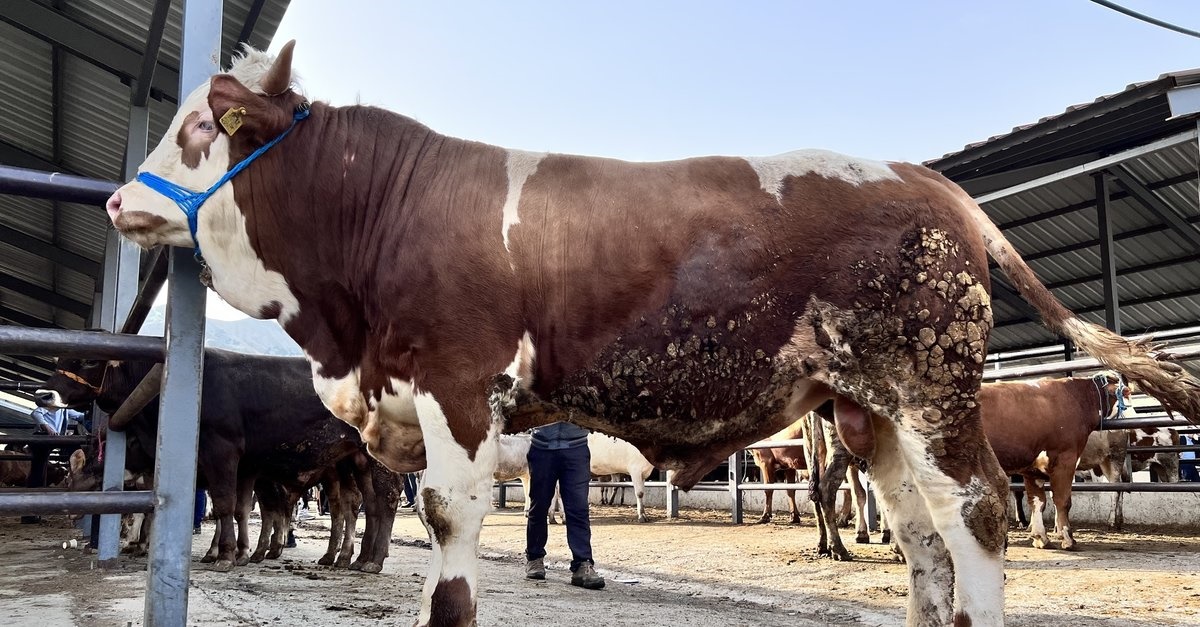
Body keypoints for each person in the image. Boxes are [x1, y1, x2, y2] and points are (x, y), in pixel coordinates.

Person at [523, 422, 604, 590]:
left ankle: (583, 563)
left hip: (576, 447)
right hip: (542, 447)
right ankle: (534, 558)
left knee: (578, 508)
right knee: (539, 505)